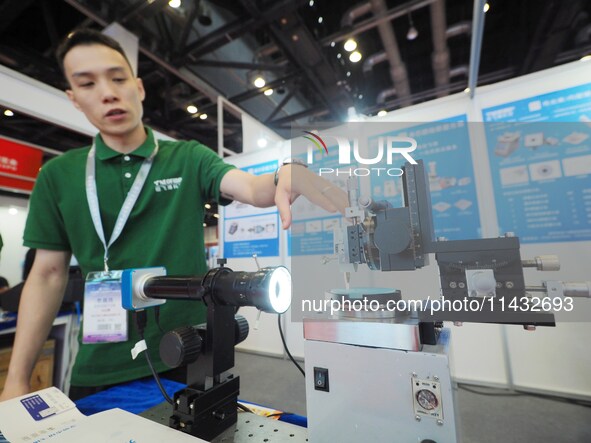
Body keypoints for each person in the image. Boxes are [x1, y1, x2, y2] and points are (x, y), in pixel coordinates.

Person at [0, 29, 347, 402]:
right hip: (100, 363)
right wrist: (16, 379)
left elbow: (250, 188)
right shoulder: (58, 176)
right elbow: (47, 275)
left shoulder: (188, 158)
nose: (107, 92)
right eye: (87, 84)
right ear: (73, 98)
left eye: (117, 78)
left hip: (191, 355)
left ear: (139, 87)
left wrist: (283, 174)